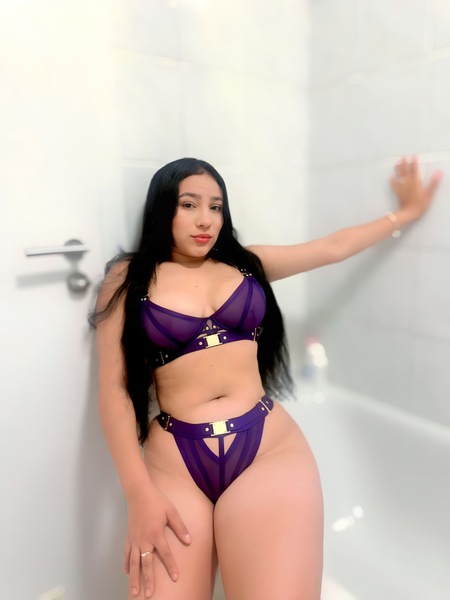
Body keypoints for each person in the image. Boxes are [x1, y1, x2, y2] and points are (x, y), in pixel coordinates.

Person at [91, 156, 442, 600]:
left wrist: (405, 214)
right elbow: (114, 389)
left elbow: (333, 247)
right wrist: (138, 492)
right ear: (163, 209)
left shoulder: (246, 264)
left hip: (266, 452)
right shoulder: (128, 277)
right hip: (175, 464)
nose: (205, 220)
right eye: (189, 204)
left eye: (216, 207)